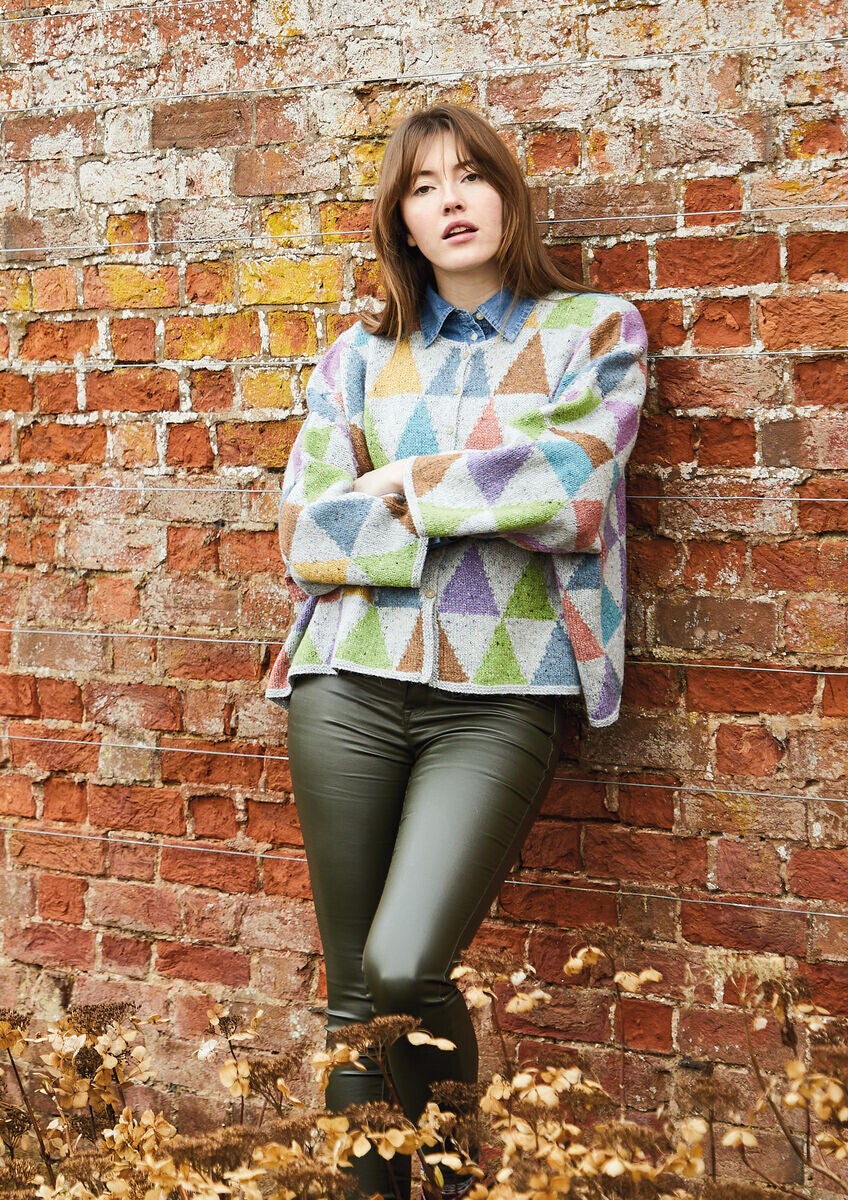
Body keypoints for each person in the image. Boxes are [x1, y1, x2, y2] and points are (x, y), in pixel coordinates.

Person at [266, 104, 647, 1198]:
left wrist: (402, 484)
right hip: (344, 679)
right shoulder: (357, 357)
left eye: (470, 175)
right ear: (402, 220)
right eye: (423, 186)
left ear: (506, 194)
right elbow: (306, 535)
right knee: (353, 998)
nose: (450, 200)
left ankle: (449, 1180)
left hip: (503, 691)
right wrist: (477, 498)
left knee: (401, 966)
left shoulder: (592, 332)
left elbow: (574, 490)